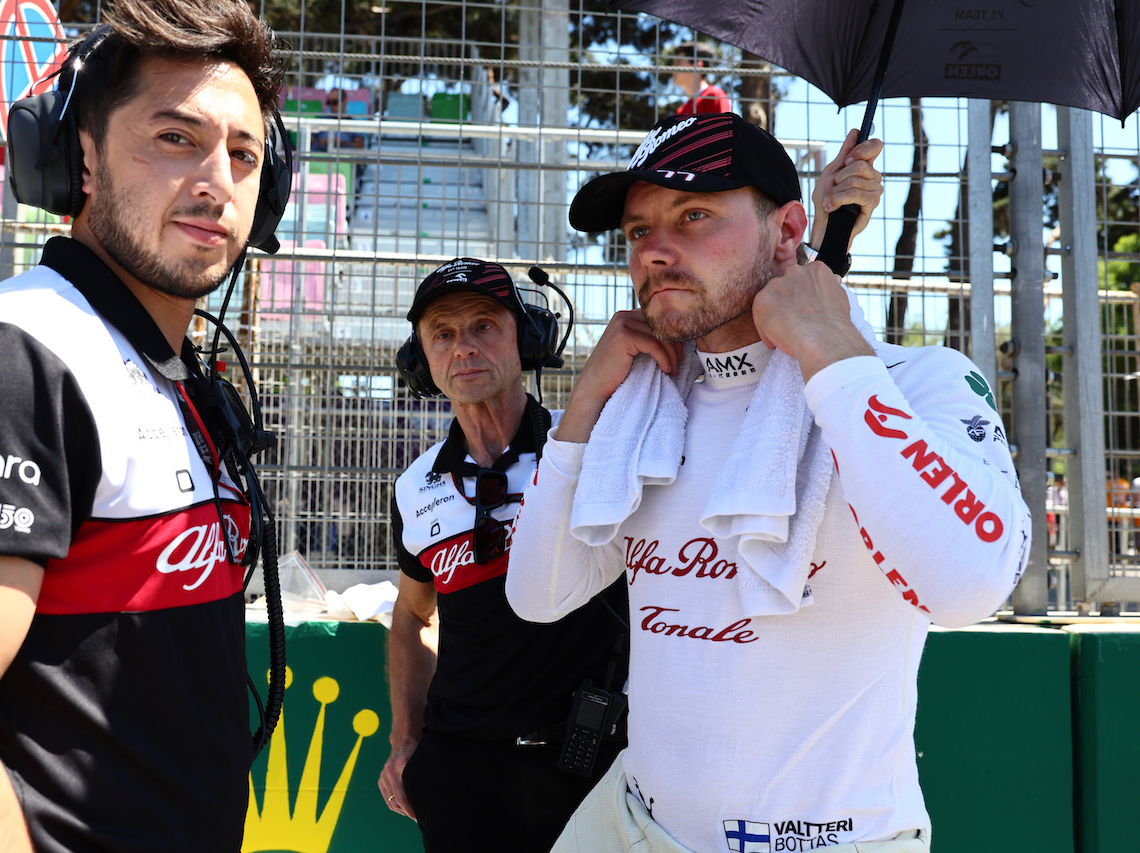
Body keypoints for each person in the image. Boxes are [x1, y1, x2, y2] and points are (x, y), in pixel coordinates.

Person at [506, 112, 1032, 853]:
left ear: (788, 232)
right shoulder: (642, 408)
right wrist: (586, 403)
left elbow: (973, 584)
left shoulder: (916, 383)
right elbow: (538, 593)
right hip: (628, 824)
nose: (654, 250)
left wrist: (836, 353)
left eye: (694, 215)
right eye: (636, 230)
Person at [0, 1, 284, 851]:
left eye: (244, 155)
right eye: (175, 138)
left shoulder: (177, 372)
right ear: (80, 155)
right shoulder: (7, 363)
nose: (217, 182)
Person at [377, 257, 631, 853]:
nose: (463, 347)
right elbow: (413, 616)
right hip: (459, 776)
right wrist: (406, 740)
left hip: (590, 766)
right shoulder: (415, 487)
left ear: (528, 340)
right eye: (442, 333)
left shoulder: (591, 448)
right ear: (422, 359)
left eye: (484, 326)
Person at [669, 40, 729, 116]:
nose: (672, 67)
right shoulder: (681, 111)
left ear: (698, 65)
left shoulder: (715, 96)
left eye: (679, 62)